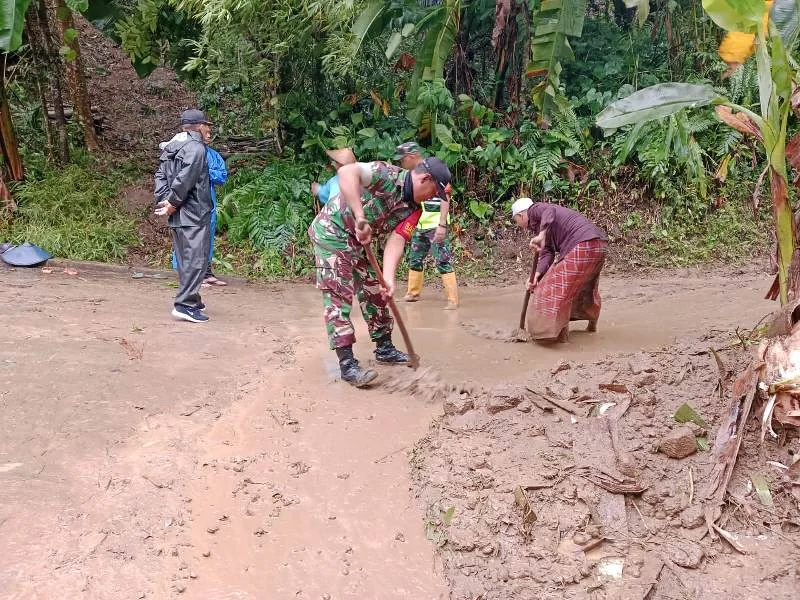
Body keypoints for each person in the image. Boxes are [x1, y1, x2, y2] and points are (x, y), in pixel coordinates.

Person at [309, 156, 452, 387]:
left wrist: (388, 279)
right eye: (434, 192)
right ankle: (347, 365)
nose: (433, 198)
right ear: (425, 179)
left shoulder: (414, 209)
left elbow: (397, 239)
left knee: (376, 291)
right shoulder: (385, 174)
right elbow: (347, 173)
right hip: (332, 233)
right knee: (338, 294)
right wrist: (361, 217)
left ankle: (384, 348)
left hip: (359, 242)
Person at [511, 197, 608, 342]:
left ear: (521, 215)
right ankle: (590, 327)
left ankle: (554, 336)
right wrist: (536, 276)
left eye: (516, 221)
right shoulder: (542, 226)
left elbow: (549, 210)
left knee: (552, 289)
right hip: (598, 245)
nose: (518, 225)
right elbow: (547, 253)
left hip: (582, 243)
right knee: (583, 289)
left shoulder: (535, 210)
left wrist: (542, 233)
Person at [154, 109, 214, 323]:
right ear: (199, 126)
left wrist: (165, 200)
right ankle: (185, 305)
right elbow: (186, 178)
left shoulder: (172, 147)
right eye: (207, 126)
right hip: (194, 214)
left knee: (186, 260)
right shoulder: (196, 149)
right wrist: (172, 202)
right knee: (196, 260)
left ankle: (193, 299)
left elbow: (160, 175)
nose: (210, 130)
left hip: (180, 215)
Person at [394, 142, 459, 309]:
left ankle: (453, 300)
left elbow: (446, 198)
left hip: (436, 224)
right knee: (414, 259)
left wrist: (442, 225)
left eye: (403, 160)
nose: (401, 163)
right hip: (421, 224)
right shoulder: (412, 175)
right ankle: (412, 293)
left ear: (412, 156)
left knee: (442, 260)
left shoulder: (433, 170)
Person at [166, 136, 228, 286]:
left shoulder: (213, 155)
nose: (207, 135)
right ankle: (187, 275)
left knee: (207, 238)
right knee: (188, 239)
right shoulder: (183, 152)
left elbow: (222, 176)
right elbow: (178, 175)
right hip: (187, 201)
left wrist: (204, 170)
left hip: (207, 202)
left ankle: (206, 273)